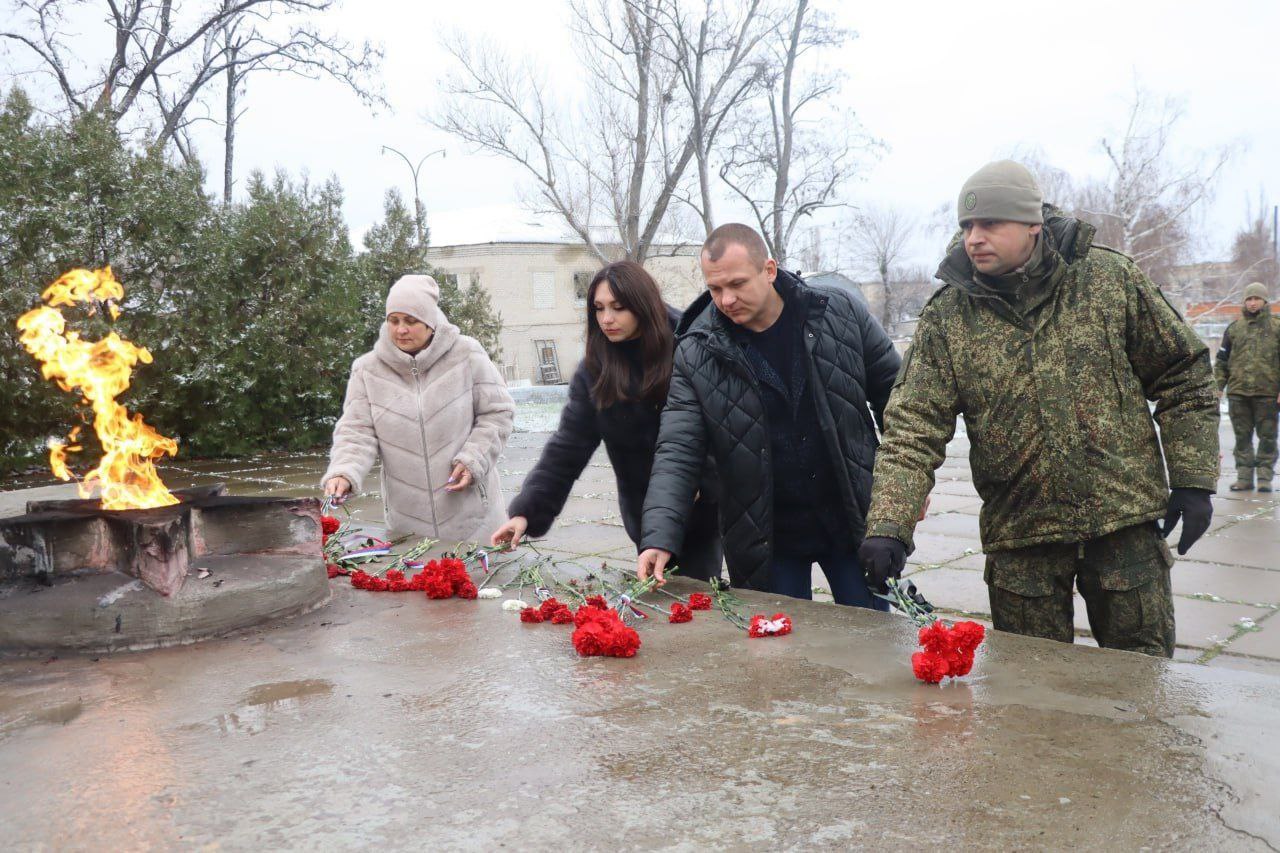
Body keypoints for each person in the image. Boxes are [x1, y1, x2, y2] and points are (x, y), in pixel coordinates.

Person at [859, 160, 1220, 658]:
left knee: (1143, 685)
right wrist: (889, 526)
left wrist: (1194, 478)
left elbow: (1183, 373)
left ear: (1033, 224)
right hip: (1021, 541)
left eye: (990, 223)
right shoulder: (949, 317)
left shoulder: (1107, 281)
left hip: (1123, 531)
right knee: (1028, 697)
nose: (974, 238)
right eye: (966, 226)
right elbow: (912, 429)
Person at [636, 223, 901, 608]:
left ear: (770, 270)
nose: (726, 300)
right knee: (780, 655)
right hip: (767, 536)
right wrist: (659, 537)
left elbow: (898, 402)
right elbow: (678, 448)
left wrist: (900, 494)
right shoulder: (696, 352)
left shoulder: (838, 314)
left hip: (852, 521)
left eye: (738, 284)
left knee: (873, 641)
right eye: (715, 289)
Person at [491, 261, 723, 579]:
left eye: (618, 307)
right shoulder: (595, 370)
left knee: (699, 606)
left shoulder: (690, 349)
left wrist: (705, 484)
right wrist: (525, 513)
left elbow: (723, 429)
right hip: (642, 514)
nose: (607, 319)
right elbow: (568, 448)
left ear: (643, 306)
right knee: (663, 604)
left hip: (701, 511)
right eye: (598, 309)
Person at [322, 273, 515, 542]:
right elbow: (356, 431)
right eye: (394, 320)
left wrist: (474, 459)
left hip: (474, 519)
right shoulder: (367, 370)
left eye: (411, 321)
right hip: (407, 524)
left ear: (430, 322)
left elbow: (498, 413)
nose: (401, 329)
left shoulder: (467, 354)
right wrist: (344, 471)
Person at [1214, 281, 1280, 493]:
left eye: (1256, 299)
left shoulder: (1276, 328)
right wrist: (1218, 387)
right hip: (1238, 393)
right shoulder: (1234, 329)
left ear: (1264, 300)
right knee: (1242, 438)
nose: (1252, 303)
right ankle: (1244, 477)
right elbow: (1222, 361)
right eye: (1249, 299)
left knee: (1267, 437)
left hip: (1267, 393)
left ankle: (1264, 477)